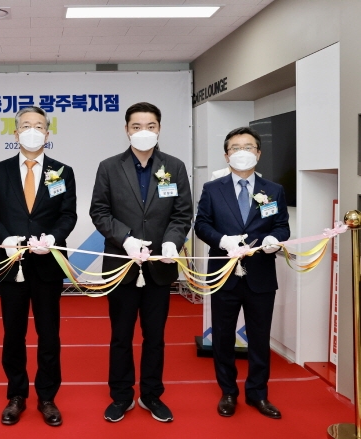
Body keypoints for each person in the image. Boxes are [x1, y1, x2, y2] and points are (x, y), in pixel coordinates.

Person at [90, 102, 192, 423]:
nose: (143, 132)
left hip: (159, 267)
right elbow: (99, 212)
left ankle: (151, 395)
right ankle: (121, 395)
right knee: (121, 335)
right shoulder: (109, 167)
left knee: (155, 336)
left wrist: (172, 241)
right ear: (126, 130)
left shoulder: (174, 167)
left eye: (150, 126)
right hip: (121, 265)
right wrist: (126, 239)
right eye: (136, 126)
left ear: (159, 129)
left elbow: (182, 213)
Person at [0, 106, 77, 427]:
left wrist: (54, 237)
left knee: (49, 334)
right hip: (11, 264)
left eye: (38, 126)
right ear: (16, 132)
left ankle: (47, 397)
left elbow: (68, 215)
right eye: (26, 125)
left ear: (47, 133)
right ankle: (16, 395)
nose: (32, 130)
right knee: (13, 333)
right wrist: (4, 239)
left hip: (48, 263)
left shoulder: (62, 171)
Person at [194, 126, 289, 419]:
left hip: (260, 275)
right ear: (226, 156)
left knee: (260, 337)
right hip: (223, 274)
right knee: (222, 337)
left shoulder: (273, 190)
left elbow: (282, 226)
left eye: (248, 147)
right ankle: (228, 392)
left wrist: (274, 240)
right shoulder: (213, 189)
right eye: (235, 148)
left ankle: (258, 393)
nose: (242, 152)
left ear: (258, 153)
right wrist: (222, 240)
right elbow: (202, 225)